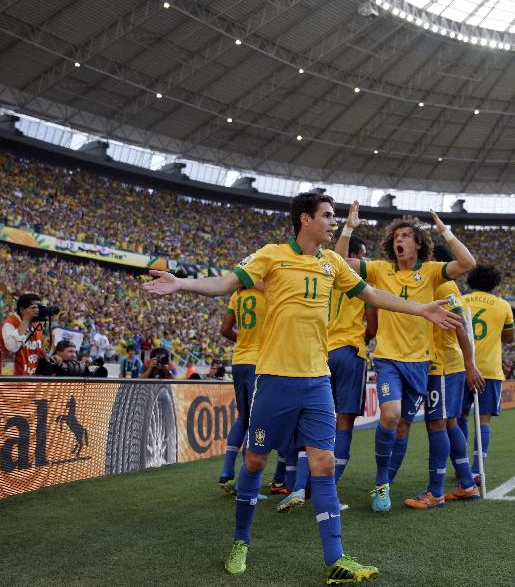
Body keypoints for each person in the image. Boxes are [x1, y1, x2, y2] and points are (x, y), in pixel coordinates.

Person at [142, 191, 461, 583]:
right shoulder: (272, 255)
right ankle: (241, 541)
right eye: (327, 216)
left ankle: (336, 558)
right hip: (274, 380)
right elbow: (225, 282)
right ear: (305, 219)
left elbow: (371, 294)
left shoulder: (332, 262)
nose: (333, 222)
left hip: (317, 382)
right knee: (256, 461)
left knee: (323, 464)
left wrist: (422, 308)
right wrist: (182, 284)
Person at [336, 200, 476, 513]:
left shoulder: (431, 273)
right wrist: (348, 227)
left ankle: (384, 482)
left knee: (402, 427)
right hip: (387, 359)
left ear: (418, 243)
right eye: (396, 236)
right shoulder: (379, 270)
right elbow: (338, 261)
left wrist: (445, 231)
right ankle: (382, 480)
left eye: (406, 236)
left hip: (420, 363)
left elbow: (467, 263)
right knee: (389, 415)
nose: (400, 240)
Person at [277, 235, 378, 512]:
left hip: (320, 353)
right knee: (344, 422)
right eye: (363, 255)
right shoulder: (362, 284)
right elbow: (373, 327)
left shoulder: (324, 276)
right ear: (355, 256)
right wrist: (360, 337)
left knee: (309, 420)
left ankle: (297, 486)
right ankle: (328, 491)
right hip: (349, 352)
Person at [404, 245, 484, 510]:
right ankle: (466, 484)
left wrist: (470, 364)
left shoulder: (443, 285)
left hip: (443, 364)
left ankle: (435, 492)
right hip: (443, 362)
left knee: (437, 424)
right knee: (449, 423)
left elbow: (460, 324)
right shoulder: (438, 284)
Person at [458, 264, 515, 487]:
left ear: (471, 281)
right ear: (495, 283)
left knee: (459, 417)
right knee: (483, 420)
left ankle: (461, 466)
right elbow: (509, 338)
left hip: (462, 367)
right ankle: (477, 469)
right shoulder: (503, 306)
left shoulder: (461, 301)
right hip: (490, 370)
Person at [217, 284, 268, 494]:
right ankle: (244, 483)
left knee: (242, 416)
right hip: (261, 362)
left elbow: (225, 330)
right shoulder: (271, 292)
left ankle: (227, 468)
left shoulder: (238, 294)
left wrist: (245, 342)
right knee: (257, 420)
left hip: (239, 361)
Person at [0, 293, 46, 375]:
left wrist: (46, 356)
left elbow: (37, 350)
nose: (37, 310)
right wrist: (26, 320)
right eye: (34, 307)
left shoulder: (37, 325)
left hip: (29, 381)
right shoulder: (9, 323)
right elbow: (12, 347)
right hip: (10, 380)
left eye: (39, 307)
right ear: (22, 310)